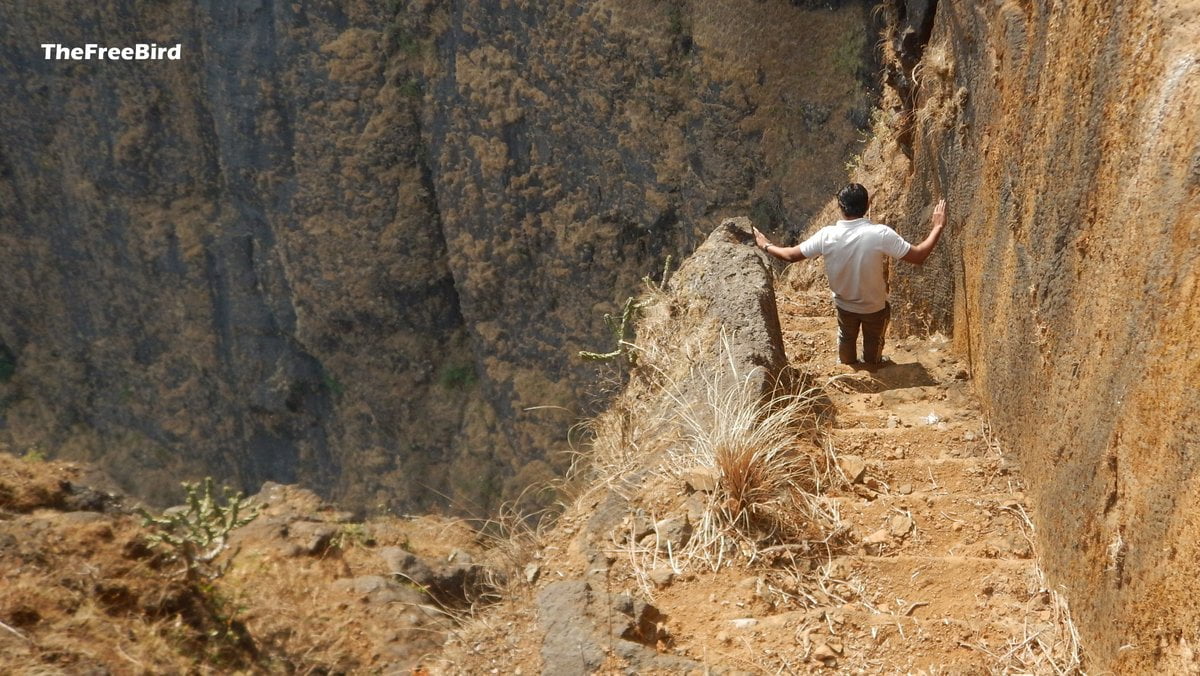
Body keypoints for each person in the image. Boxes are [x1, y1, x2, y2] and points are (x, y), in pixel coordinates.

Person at [752, 183, 946, 366]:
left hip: (844, 305)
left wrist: (765, 244)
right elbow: (919, 255)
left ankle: (846, 365)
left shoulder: (827, 235)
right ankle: (872, 363)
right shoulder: (880, 234)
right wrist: (937, 227)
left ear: (840, 207)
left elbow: (790, 255)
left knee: (846, 337)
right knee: (874, 339)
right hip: (874, 307)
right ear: (867, 205)